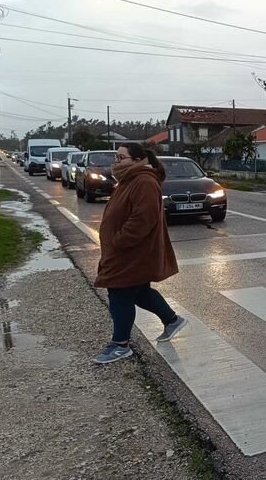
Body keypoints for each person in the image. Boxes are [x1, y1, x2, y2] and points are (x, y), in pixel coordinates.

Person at [92, 143, 184, 364]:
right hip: (126, 251)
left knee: (119, 293)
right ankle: (172, 320)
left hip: (132, 252)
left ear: (137, 159)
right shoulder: (130, 179)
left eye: (121, 157)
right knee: (140, 292)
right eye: (116, 157)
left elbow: (143, 219)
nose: (116, 161)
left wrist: (119, 240)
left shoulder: (144, 181)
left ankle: (120, 345)